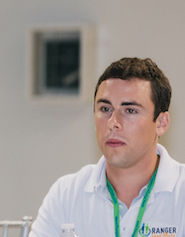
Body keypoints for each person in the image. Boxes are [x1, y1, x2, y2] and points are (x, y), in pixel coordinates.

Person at [29, 57, 185, 237]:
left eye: (130, 111)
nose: (113, 123)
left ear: (161, 123)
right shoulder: (66, 194)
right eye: (105, 109)